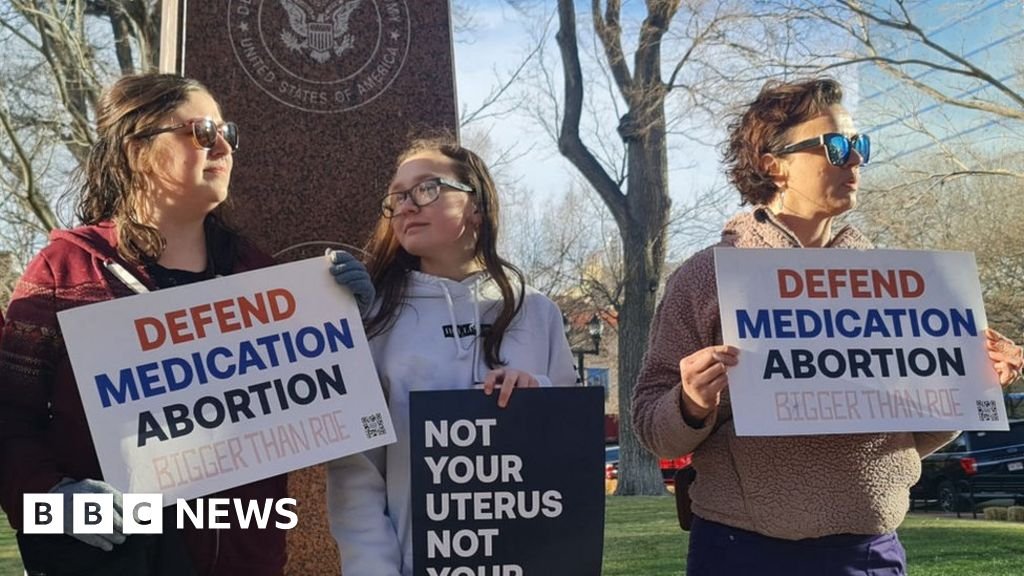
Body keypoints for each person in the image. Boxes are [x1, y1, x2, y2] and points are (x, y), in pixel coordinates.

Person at [631, 77, 1024, 576]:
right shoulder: (706, 277)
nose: (855, 159)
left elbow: (921, 429)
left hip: (869, 552)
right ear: (774, 165)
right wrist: (690, 403)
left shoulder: (899, 282)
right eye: (835, 146)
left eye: (860, 145)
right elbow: (652, 426)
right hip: (740, 550)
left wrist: (971, 380)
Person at [0, 73, 374, 576]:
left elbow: (325, 409)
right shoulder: (64, 272)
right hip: (115, 562)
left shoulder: (259, 277)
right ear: (137, 151)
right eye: (201, 131)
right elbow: (8, 420)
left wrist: (353, 321)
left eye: (228, 132)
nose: (223, 145)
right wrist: (50, 500)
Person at [325, 135, 578, 575]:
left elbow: (570, 450)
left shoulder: (536, 312)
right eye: (397, 196)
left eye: (426, 189)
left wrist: (540, 395)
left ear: (475, 205)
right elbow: (356, 471)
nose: (405, 205)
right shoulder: (375, 318)